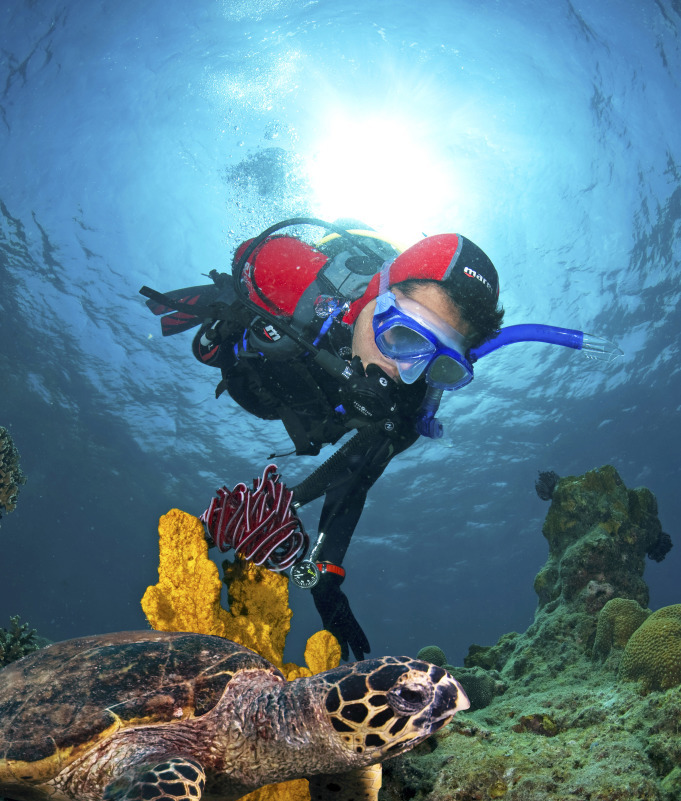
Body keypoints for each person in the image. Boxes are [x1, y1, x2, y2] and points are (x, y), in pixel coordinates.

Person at [142, 217, 611, 659]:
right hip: (256, 362)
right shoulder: (291, 277)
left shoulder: (412, 402)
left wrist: (327, 573)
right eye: (403, 336)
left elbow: (355, 474)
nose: (405, 373)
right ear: (377, 294)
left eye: (440, 363)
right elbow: (247, 255)